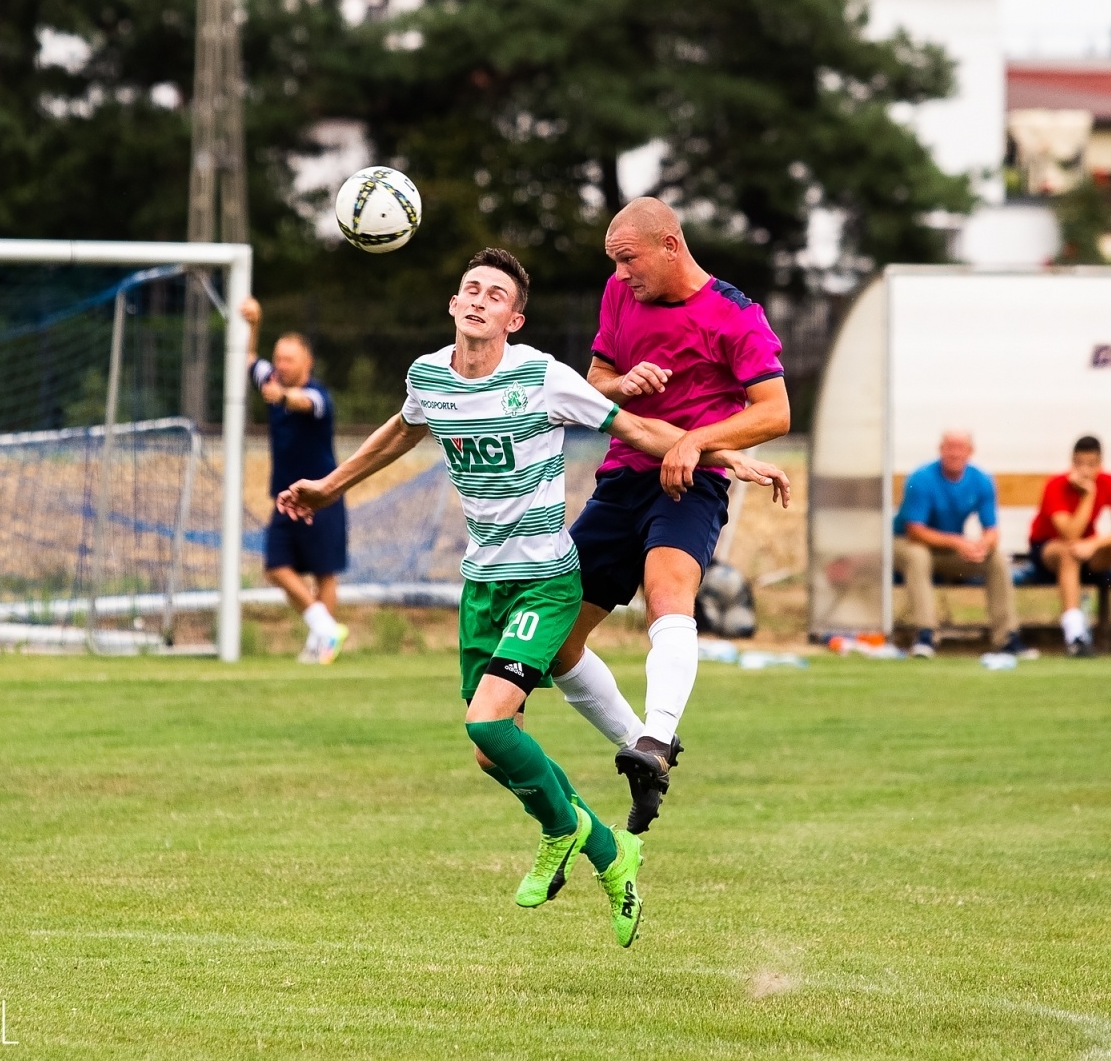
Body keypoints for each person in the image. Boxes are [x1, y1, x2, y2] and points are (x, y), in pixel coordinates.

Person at [275, 248, 790, 947]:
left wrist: (727, 457)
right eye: (470, 289)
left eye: (495, 294)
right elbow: (404, 426)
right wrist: (328, 486)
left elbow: (637, 428)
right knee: (493, 752)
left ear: (514, 318)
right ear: (454, 305)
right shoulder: (428, 376)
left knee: (486, 724)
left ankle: (567, 822)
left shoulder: (543, 378)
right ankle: (605, 850)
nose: (479, 299)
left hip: (546, 579)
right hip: (480, 584)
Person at [546, 198, 793, 835]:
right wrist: (623, 384)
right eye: (615, 263)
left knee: (666, 594)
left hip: (693, 483)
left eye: (629, 260)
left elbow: (775, 412)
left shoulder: (736, 316)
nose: (622, 274)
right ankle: (643, 747)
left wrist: (695, 440)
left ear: (670, 246)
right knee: (558, 643)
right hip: (622, 477)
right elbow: (594, 378)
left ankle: (658, 737)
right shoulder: (618, 293)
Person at [240, 298, 348, 664]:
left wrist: (283, 396)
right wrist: (255, 322)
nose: (281, 365)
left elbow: (305, 403)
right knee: (275, 566)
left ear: (307, 363)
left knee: (324, 574)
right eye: (279, 359)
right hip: (285, 501)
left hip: (321, 498)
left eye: (289, 359)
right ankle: (326, 628)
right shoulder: (270, 380)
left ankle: (323, 644)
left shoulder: (318, 397)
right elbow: (250, 360)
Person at [894, 430, 1029, 659]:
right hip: (906, 543)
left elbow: (992, 531)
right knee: (918, 556)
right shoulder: (921, 479)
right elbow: (915, 531)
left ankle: (1007, 637)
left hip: (946, 550)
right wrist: (958, 541)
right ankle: (926, 634)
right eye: (949, 447)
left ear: (970, 451)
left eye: (960, 447)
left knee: (995, 558)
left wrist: (981, 546)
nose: (954, 453)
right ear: (940, 449)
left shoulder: (982, 480)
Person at [1028, 435, 1111, 657]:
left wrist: (1093, 544)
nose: (1085, 471)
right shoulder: (1055, 485)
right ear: (1072, 462)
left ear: (1100, 464)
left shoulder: (1109, 481)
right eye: (1079, 464)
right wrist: (1089, 495)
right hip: (1049, 548)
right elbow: (1070, 534)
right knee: (1069, 552)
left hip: (1087, 547)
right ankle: (1076, 637)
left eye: (1091, 465)